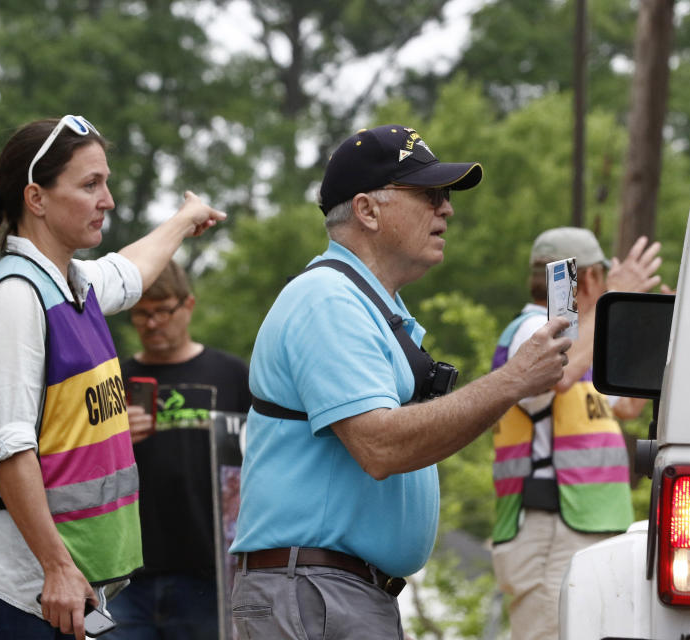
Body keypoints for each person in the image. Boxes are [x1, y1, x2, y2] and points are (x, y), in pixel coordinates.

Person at [228, 124, 573, 640]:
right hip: (314, 593)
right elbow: (380, 446)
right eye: (431, 195)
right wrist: (513, 380)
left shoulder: (366, 304)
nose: (448, 209)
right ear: (367, 210)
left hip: (330, 592)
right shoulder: (328, 300)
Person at [0, 115, 226, 640]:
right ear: (36, 198)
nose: (107, 199)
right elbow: (9, 448)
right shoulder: (16, 297)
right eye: (91, 185)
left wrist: (185, 218)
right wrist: (57, 566)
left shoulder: (70, 284)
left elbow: (128, 273)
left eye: (105, 183)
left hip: (50, 593)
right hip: (14, 592)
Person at [490, 227, 663, 640]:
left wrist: (652, 328)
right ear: (587, 280)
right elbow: (560, 375)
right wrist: (608, 306)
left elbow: (629, 404)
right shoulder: (532, 334)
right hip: (550, 526)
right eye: (603, 280)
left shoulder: (577, 346)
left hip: (587, 522)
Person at [103, 260, 250, 639]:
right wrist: (112, 439)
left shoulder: (231, 374)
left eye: (162, 311)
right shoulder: (113, 380)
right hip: (125, 576)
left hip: (209, 571)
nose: (151, 324)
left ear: (188, 305)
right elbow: (77, 466)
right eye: (141, 314)